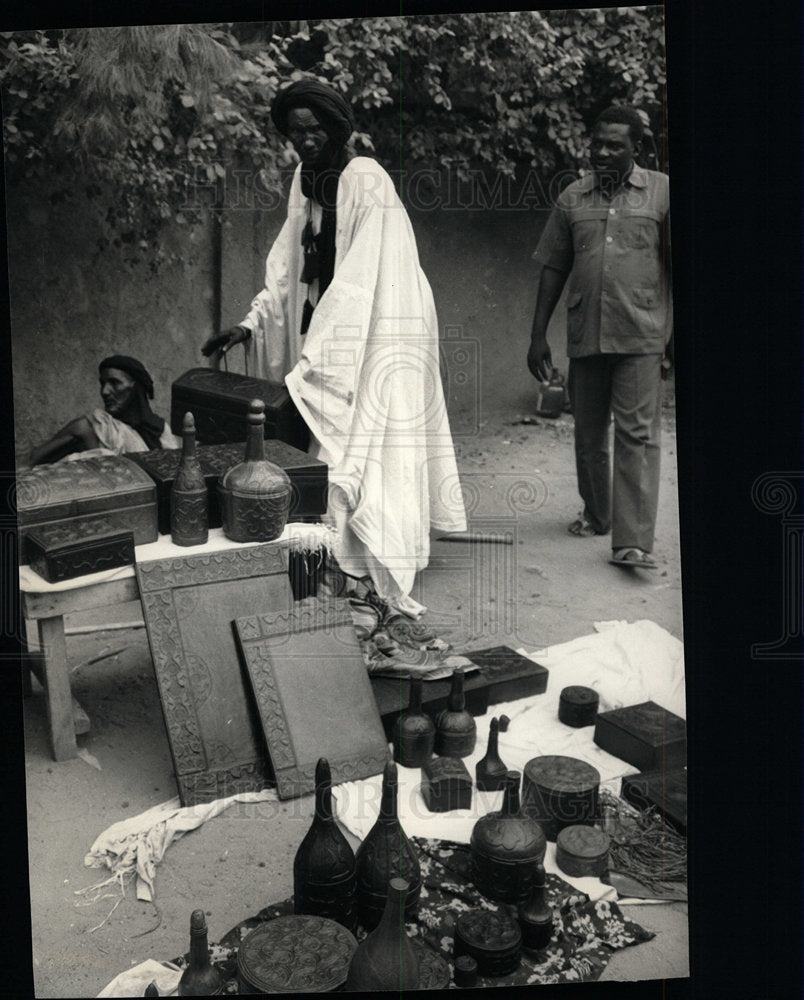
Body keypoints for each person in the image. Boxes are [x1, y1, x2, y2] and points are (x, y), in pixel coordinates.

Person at [201, 78, 466, 616]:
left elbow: (361, 279)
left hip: (380, 324)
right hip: (331, 326)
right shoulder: (305, 178)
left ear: (337, 126)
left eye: (314, 128)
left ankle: (370, 562)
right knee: (330, 441)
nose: (304, 139)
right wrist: (249, 325)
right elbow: (287, 264)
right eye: (294, 131)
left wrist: (322, 352)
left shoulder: (366, 179)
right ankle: (330, 560)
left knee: (368, 435)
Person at [527, 105, 672, 570]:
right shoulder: (572, 198)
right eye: (597, 142)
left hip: (641, 333)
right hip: (586, 330)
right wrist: (537, 336)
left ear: (636, 148)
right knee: (589, 434)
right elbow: (554, 268)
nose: (602, 152)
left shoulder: (663, 193)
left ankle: (633, 542)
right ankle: (597, 513)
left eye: (615, 145)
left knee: (637, 435)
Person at [28, 355, 180, 466]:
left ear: (135, 388)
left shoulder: (161, 430)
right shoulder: (90, 427)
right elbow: (32, 460)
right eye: (103, 383)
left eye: (114, 383)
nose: (105, 391)